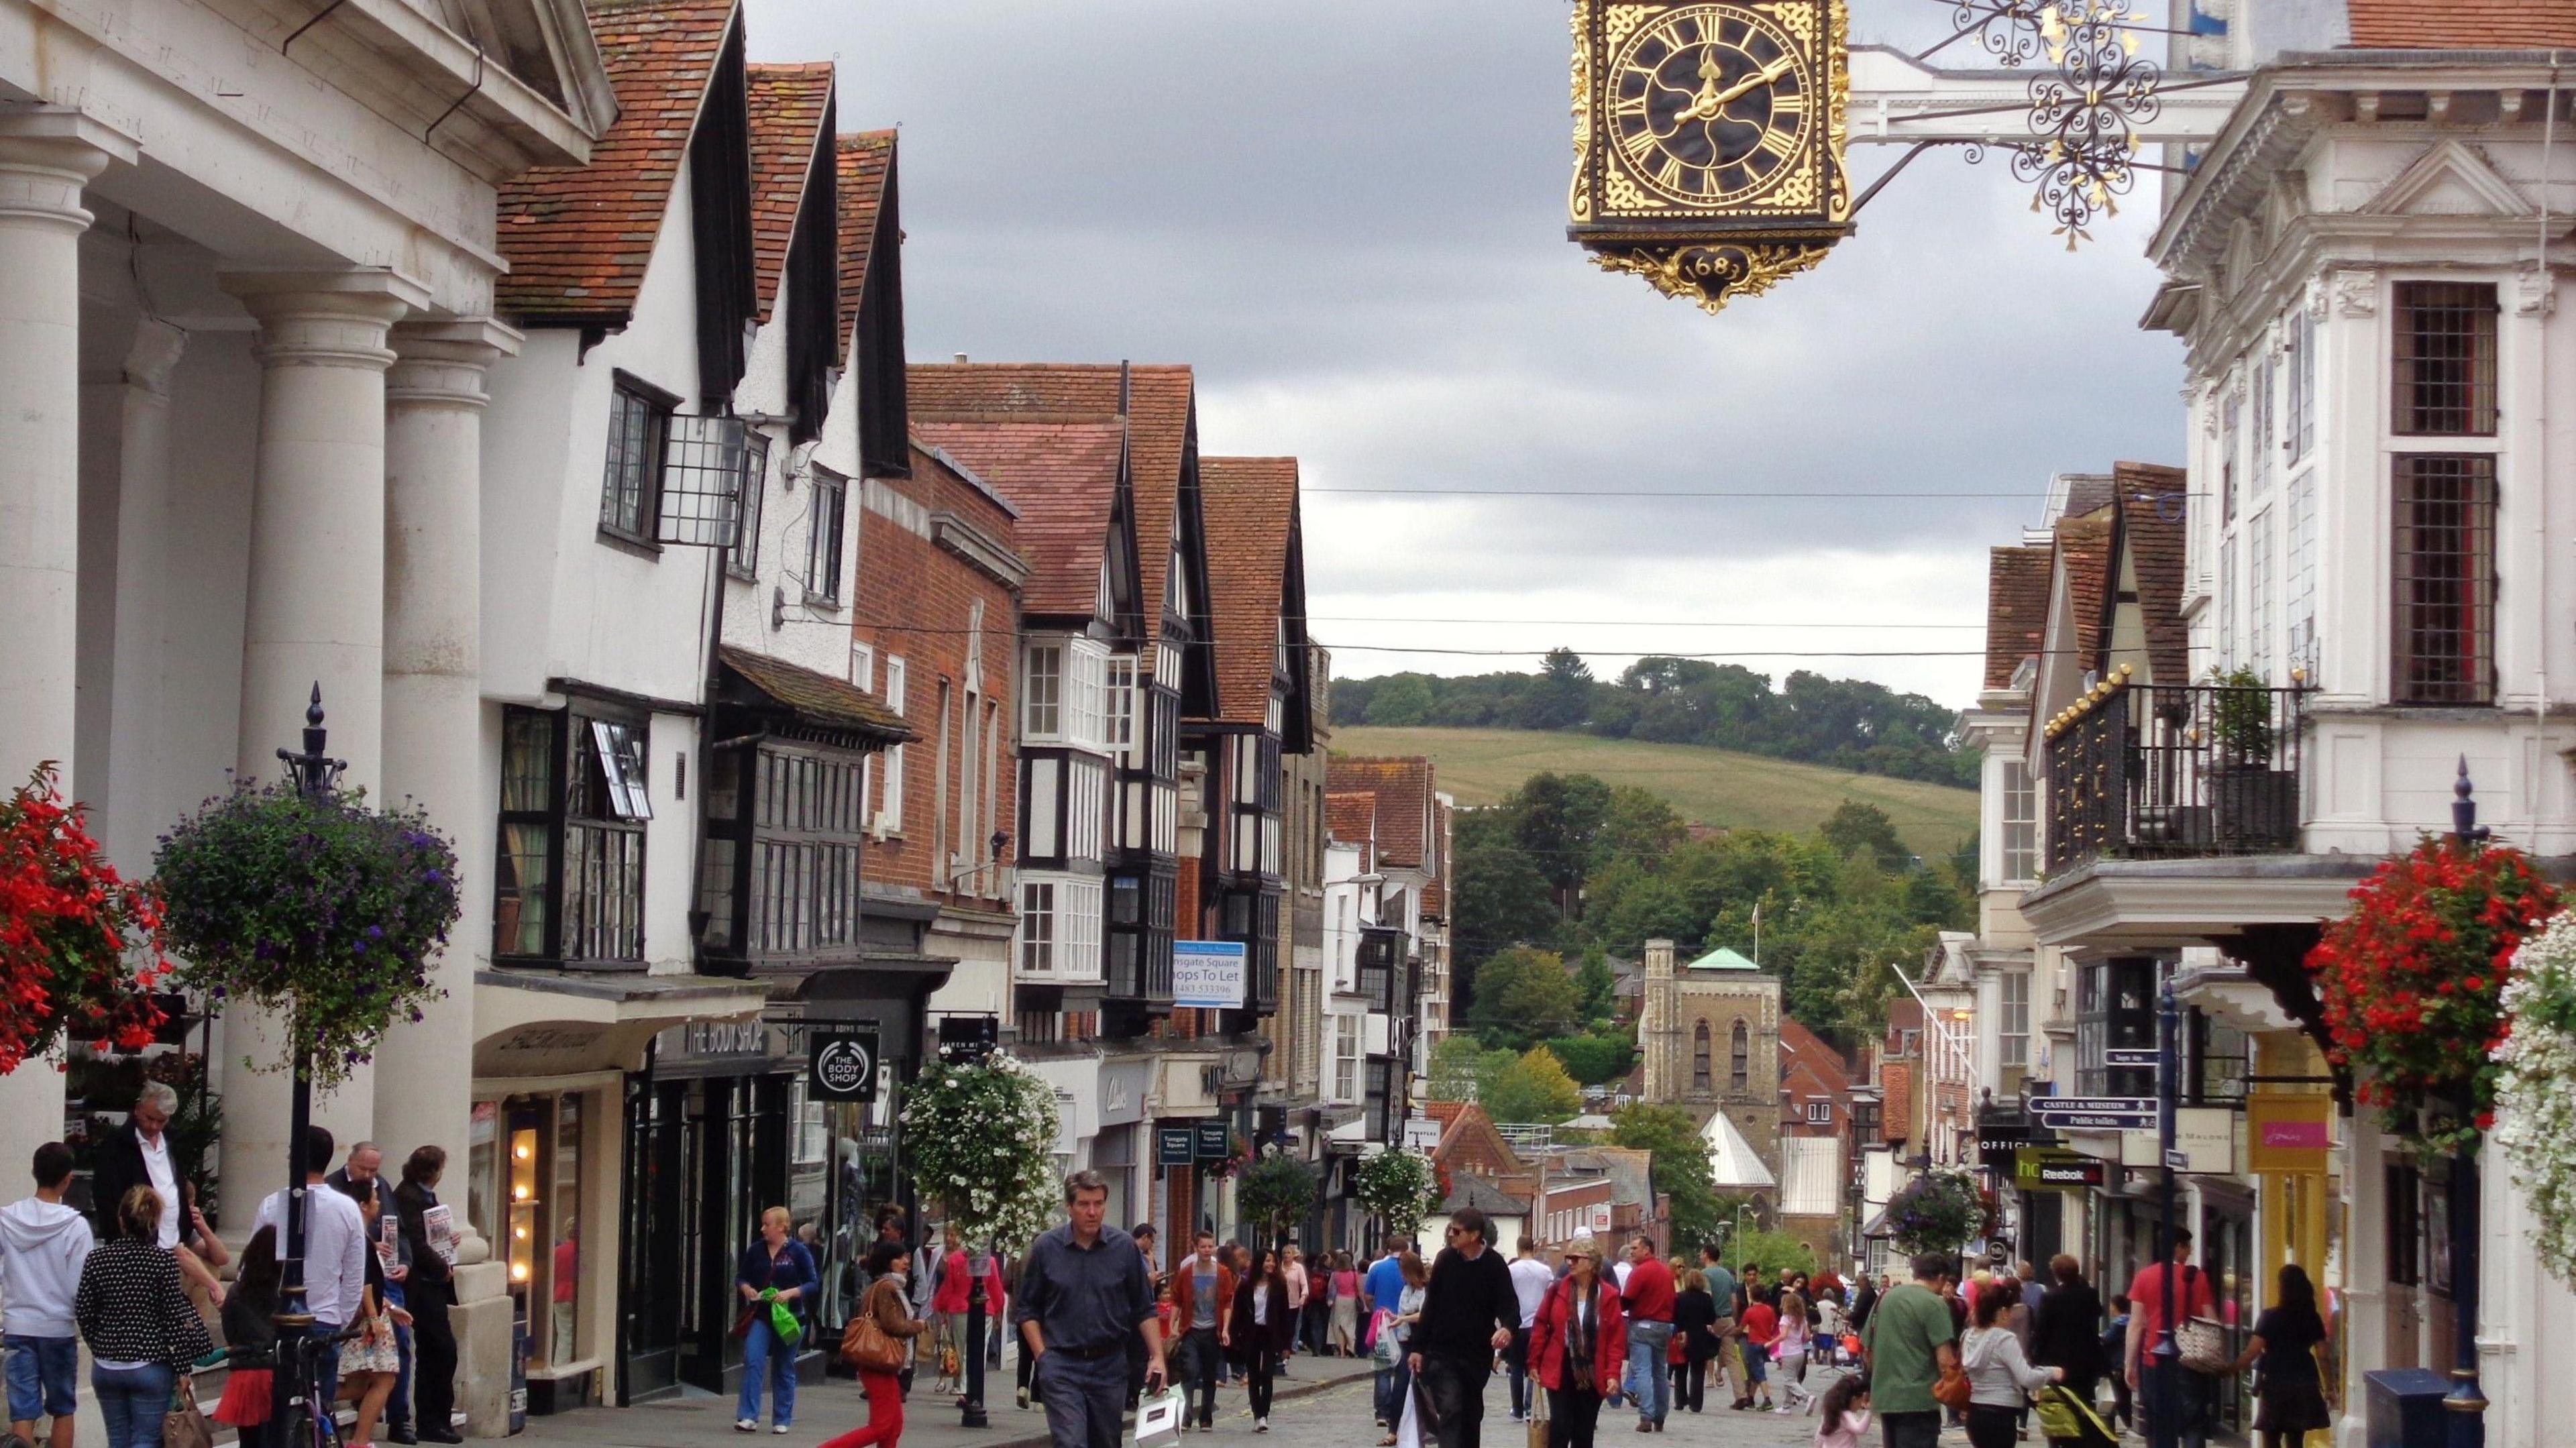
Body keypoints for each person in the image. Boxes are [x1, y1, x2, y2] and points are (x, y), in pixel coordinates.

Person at [1012, 1170, 1168, 1448]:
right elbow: (1028, 1311)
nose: (1092, 1212)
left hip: (1109, 1366)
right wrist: (1043, 1357)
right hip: (1061, 1364)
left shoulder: (1123, 1248)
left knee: (1106, 1442)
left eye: (1098, 1204)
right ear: (1069, 1207)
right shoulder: (1047, 1248)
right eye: (1084, 1204)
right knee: (1071, 1442)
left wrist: (1157, 1357)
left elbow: (1144, 1308)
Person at [74, 1187, 211, 1448]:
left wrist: (100, 1344)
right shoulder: (163, 1262)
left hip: (107, 1364)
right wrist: (182, 1367)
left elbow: (84, 1310)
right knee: (146, 1438)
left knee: (118, 1439)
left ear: (121, 1220)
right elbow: (173, 1318)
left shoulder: (97, 1259)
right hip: (150, 1362)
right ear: (155, 1222)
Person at [252, 1125, 368, 1426]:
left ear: (295, 1158)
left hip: (280, 1320)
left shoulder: (273, 1205)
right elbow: (355, 1274)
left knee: (280, 1410)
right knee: (321, 1407)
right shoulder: (348, 1209)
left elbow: (251, 1268)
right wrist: (340, 1318)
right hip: (325, 1319)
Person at [0, 1142, 92, 1448]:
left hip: (17, 1323)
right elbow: (82, 1285)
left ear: (33, 1173)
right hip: (57, 1326)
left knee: (22, 1410)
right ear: (68, 1179)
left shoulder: (6, 1219)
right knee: (63, 1408)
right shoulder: (76, 1226)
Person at [1407, 1208, 1519, 1448]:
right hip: (1442, 1351)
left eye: (1456, 1231)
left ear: (1475, 1235)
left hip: (1476, 1354)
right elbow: (1431, 1305)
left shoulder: (1494, 1264)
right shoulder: (1445, 1260)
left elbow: (1509, 1304)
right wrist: (1418, 1349)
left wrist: (1508, 1328)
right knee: (1451, 1408)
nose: (1450, 1235)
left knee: (1471, 1413)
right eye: (1450, 1229)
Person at [329, 1144, 414, 1445]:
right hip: (367, 1314)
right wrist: (378, 1314)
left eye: (374, 1171)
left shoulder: (380, 1194)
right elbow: (361, 1280)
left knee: (364, 1382)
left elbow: (398, 1233)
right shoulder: (357, 1236)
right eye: (363, 1169)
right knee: (381, 1378)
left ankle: (361, 1437)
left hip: (377, 1302)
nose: (378, 1201)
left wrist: (389, 1305)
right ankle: (360, 1440)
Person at [820, 1242, 928, 1448]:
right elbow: (891, 1324)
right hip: (878, 1363)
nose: (906, 1262)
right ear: (888, 1263)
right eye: (900, 1258)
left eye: (906, 1257)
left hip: (882, 1364)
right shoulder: (887, 1287)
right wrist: (917, 1326)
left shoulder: (888, 1286)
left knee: (894, 1425)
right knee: (882, 1426)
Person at [1525, 1236, 1625, 1448]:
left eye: (1575, 1258)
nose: (1569, 1262)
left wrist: (1613, 1375)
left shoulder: (1608, 1295)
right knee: (1560, 1427)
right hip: (1560, 1365)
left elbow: (1616, 1340)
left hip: (1592, 1369)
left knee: (1584, 1432)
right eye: (1567, 1258)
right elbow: (1541, 1324)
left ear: (1591, 1263)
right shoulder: (1557, 1289)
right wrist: (1534, 1361)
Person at [392, 1146, 462, 1444]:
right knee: (438, 1350)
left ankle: (437, 1418)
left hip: (431, 1283)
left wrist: (449, 1240)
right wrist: (441, 1267)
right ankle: (432, 1420)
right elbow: (417, 1244)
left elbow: (430, 1235)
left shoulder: (422, 1195)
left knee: (441, 1352)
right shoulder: (409, 1196)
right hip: (423, 1285)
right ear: (433, 1171)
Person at [1858, 1252, 1962, 1448]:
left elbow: (1867, 1350)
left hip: (1886, 1397)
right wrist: (1958, 1396)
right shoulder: (1935, 1304)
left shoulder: (1885, 1299)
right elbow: (1945, 1360)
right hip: (1920, 1399)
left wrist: (1871, 1383)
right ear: (1941, 1278)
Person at [2125, 1230, 2216, 1448]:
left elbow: (2136, 1324)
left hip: (2154, 1360)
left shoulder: (2144, 1277)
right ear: (2177, 1247)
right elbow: (2212, 1320)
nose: (2191, 1250)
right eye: (2187, 1246)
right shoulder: (2198, 1278)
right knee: (2193, 1422)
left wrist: (2130, 1364)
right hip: (2190, 1360)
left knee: (2158, 1422)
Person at [735, 1206, 816, 1433]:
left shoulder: (798, 1252)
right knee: (753, 1359)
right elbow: (741, 1277)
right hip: (762, 1315)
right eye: (763, 1224)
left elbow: (812, 1283)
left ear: (781, 1227)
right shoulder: (756, 1251)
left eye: (767, 1224)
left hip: (790, 1317)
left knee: (784, 1366)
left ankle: (782, 1419)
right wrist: (747, 1289)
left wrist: (790, 1293)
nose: (763, 1229)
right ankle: (748, 1415)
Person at [2231, 1264, 2330, 1448]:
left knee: (2271, 1437)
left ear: (2283, 1288)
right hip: (2303, 1381)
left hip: (2274, 1382)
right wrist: (2330, 1386)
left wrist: (2230, 1368)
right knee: (2296, 1438)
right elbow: (2323, 1355)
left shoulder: (2270, 1317)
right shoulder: (2312, 1317)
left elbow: (2252, 1352)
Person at [1961, 1280, 2059, 1448]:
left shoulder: (1968, 1336)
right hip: (2001, 1413)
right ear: (2003, 1312)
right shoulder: (2004, 1339)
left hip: (1976, 1412)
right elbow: (2027, 1378)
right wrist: (2051, 1372)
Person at [215, 1227, 282, 1448]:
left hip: (244, 1373)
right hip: (275, 1370)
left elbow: (230, 1333)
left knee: (249, 1440)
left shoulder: (236, 1292)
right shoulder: (283, 1292)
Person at [1168, 1230, 1234, 1433]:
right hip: (1191, 1330)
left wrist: (1225, 1329)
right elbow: (1177, 1300)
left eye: (1210, 1246)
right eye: (1203, 1246)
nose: (1207, 1250)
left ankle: (1206, 1418)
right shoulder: (1187, 1272)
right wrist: (1172, 1325)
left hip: (1212, 1330)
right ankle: (1186, 1417)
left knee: (1209, 1374)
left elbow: (1226, 1303)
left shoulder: (1222, 1273)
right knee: (1189, 1370)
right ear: (1195, 1248)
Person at [2029, 1254, 2104, 1426]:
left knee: (2058, 1404)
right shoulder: (2090, 1295)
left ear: (2056, 1275)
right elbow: (2097, 1315)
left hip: (2056, 1361)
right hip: (2085, 1360)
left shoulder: (2050, 1298)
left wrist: (2035, 1358)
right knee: (2083, 1402)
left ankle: (2060, 1439)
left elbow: (2042, 1331)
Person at [1617, 1233, 1675, 1431]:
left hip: (1642, 1324)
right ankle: (1661, 1415)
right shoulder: (1666, 1272)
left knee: (1642, 1370)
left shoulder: (1640, 1272)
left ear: (1647, 1250)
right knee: (1660, 1372)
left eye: (1635, 1248)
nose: (1631, 1252)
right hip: (1663, 1325)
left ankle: (1646, 1416)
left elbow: (1627, 1299)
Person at [1230, 1247, 1292, 1431]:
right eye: (1267, 1261)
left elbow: (1285, 1315)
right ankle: (1257, 1416)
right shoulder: (1246, 1286)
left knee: (1267, 1374)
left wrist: (1287, 1344)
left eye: (1273, 1261)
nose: (1271, 1264)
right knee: (1254, 1376)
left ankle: (1264, 1415)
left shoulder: (1279, 1286)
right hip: (1251, 1333)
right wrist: (1233, 1336)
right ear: (1259, 1263)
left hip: (1271, 1334)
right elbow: (1238, 1314)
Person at [1375, 1251, 1428, 1447]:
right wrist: (1393, 1317)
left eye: (1403, 1270)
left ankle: (1427, 1429)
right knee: (1400, 1387)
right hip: (1406, 1341)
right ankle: (1393, 1431)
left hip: (1422, 1344)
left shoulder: (1426, 1289)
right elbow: (1403, 1312)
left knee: (1422, 1391)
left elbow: (1425, 1315)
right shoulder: (1407, 1289)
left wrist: (1404, 1318)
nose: (1401, 1275)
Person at [1505, 1237, 1553, 1423]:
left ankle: (1517, 1408)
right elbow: (1551, 1295)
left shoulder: (1511, 1270)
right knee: (1535, 1367)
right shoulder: (1545, 1271)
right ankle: (1528, 1408)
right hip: (1538, 1324)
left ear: (1518, 1249)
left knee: (1516, 1367)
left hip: (1517, 1323)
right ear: (1532, 1248)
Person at [1670, 1267, 1717, 1414]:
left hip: (1682, 1336)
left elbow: (1674, 1317)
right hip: (1700, 1337)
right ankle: (1696, 1403)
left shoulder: (1680, 1297)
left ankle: (1680, 1400)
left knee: (1680, 1370)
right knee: (1698, 1372)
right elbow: (1712, 1318)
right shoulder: (1706, 1298)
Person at [1774, 1290, 1816, 1413]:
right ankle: (1786, 1406)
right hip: (1800, 1352)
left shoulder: (1785, 1319)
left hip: (1788, 1352)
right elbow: (1808, 1337)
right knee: (1791, 1379)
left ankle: (1807, 1397)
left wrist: (1770, 1343)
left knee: (1789, 1381)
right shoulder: (1802, 1319)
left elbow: (1783, 1335)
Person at [1741, 1285, 1778, 1410]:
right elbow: (1774, 1325)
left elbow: (1741, 1327)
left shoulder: (1750, 1311)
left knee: (1759, 1372)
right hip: (1766, 1343)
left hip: (1754, 1343)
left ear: (1751, 1295)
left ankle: (1767, 1399)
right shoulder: (1769, 1309)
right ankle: (1750, 1398)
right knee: (1755, 1372)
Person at [2100, 1296, 2133, 1433]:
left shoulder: (2119, 1324)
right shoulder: (2129, 1321)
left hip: (2117, 1364)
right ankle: (2129, 1423)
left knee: (2118, 1397)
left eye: (2112, 1305)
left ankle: (2128, 1423)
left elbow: (2107, 1339)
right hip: (2124, 1362)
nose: (2110, 1308)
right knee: (2124, 1395)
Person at [1815, 1372, 1874, 1448]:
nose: (1861, 1405)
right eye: (1860, 1401)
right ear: (1854, 1399)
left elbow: (1820, 1436)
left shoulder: (1829, 1414)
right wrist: (1870, 1411)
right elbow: (1860, 1429)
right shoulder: (1846, 1415)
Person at [1281, 1245, 1311, 1364]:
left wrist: (1303, 1296)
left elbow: (1304, 1284)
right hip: (1280, 1302)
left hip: (1294, 1303)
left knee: (1290, 1328)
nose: (1286, 1255)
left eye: (1288, 1253)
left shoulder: (1298, 1268)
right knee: (1281, 1327)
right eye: (1284, 1253)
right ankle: (1281, 1349)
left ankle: (1287, 1349)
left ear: (1293, 1255)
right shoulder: (1279, 1267)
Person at [1331, 1251, 1362, 1357]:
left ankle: (1341, 1349)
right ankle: (1351, 1347)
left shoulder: (1335, 1274)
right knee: (1350, 1324)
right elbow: (1359, 1288)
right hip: (1351, 1300)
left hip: (1339, 1299)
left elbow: (1330, 1288)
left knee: (1339, 1325)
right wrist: (1362, 1300)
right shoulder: (1354, 1274)